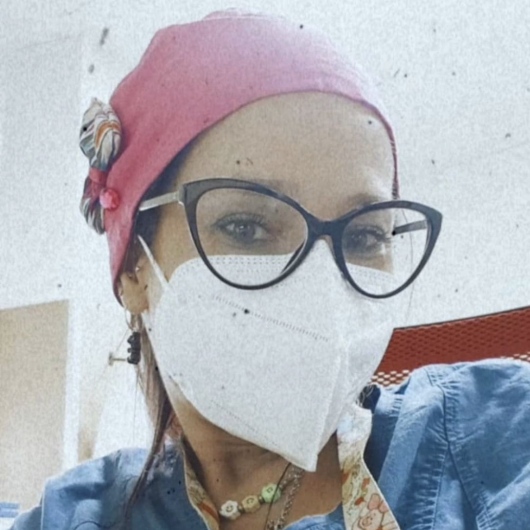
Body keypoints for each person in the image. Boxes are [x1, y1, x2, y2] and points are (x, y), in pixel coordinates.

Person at [11, 9, 530, 530]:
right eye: (246, 227)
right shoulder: (75, 516)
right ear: (133, 270)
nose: (322, 292)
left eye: (364, 235)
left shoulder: (493, 438)